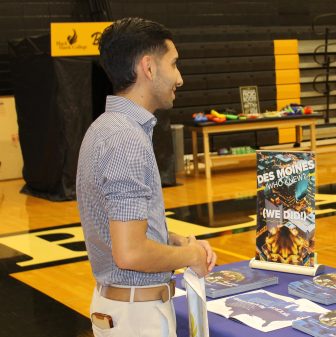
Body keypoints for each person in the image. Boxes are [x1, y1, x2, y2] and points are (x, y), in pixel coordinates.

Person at [76, 17, 217, 337]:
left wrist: (173, 240)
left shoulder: (106, 129)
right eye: (174, 64)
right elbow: (131, 252)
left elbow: (121, 232)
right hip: (137, 318)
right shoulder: (124, 139)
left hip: (124, 309)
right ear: (148, 68)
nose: (179, 78)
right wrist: (189, 255)